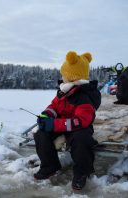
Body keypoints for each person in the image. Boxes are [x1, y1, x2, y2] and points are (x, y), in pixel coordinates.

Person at [33, 51, 101, 190]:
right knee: (41, 133)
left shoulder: (84, 95)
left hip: (79, 127)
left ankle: (82, 172)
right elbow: (54, 106)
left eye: (64, 74)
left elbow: (81, 121)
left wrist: (54, 124)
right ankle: (50, 166)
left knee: (82, 140)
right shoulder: (64, 91)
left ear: (71, 77)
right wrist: (46, 115)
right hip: (62, 124)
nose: (62, 77)